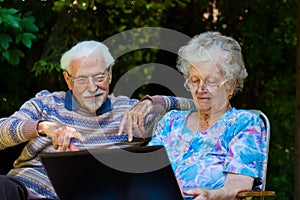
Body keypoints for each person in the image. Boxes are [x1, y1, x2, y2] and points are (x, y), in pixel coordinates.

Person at [0, 40, 194, 199]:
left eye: (99, 77)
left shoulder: (132, 112)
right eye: (82, 79)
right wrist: (43, 127)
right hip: (25, 191)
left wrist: (157, 101)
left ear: (109, 75)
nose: (92, 87)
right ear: (68, 80)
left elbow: (202, 106)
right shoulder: (45, 104)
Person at [147, 31, 267, 200]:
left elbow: (239, 182)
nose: (200, 88)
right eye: (195, 80)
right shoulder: (170, 122)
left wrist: (212, 195)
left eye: (210, 81)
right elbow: (146, 172)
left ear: (231, 86)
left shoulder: (243, 124)